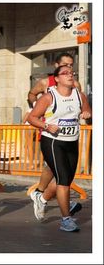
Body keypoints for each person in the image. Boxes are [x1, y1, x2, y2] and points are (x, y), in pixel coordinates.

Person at [27, 65, 91, 232]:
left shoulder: (79, 94)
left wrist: (86, 113)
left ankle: (41, 198)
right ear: (56, 79)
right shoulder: (49, 97)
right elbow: (32, 118)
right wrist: (46, 126)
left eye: (72, 73)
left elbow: (86, 108)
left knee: (66, 180)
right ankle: (66, 220)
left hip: (72, 141)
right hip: (53, 142)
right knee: (63, 179)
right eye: (65, 73)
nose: (70, 75)